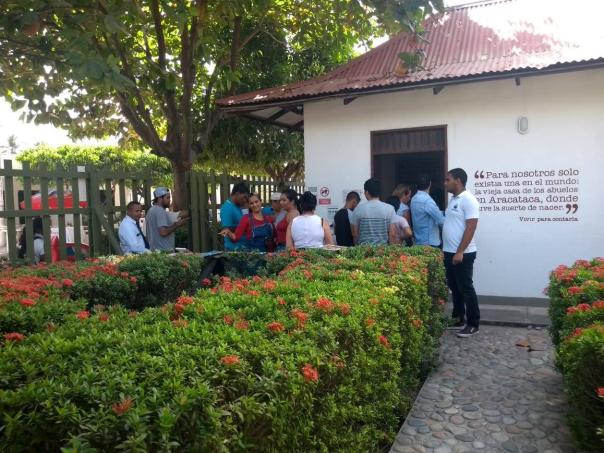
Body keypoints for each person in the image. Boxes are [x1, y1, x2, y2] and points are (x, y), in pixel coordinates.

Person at [442, 168, 480, 338]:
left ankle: (473, 324)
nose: (445, 183)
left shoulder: (468, 200)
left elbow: (471, 227)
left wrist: (460, 251)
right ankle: (458, 318)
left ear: (457, 180)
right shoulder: (453, 200)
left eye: (447, 180)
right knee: (455, 287)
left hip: (463, 253)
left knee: (466, 288)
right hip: (449, 252)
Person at [351, 178, 397, 245]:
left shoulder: (358, 209)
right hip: (382, 249)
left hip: (363, 249)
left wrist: (357, 247)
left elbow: (355, 234)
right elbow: (392, 234)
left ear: (366, 192)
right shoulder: (390, 209)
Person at [145, 187, 188, 252]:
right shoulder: (160, 211)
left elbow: (180, 214)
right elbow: (163, 232)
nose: (169, 200)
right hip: (164, 252)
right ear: (160, 199)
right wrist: (177, 225)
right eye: (167, 198)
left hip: (155, 251)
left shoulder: (151, 210)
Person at [410, 174, 445, 247]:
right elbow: (441, 220)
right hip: (430, 242)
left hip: (418, 240)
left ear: (416, 185)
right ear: (430, 184)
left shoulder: (413, 199)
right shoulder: (428, 201)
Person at [220, 183, 250, 251]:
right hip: (233, 249)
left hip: (243, 247)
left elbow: (245, 219)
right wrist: (244, 228)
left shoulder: (239, 206)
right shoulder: (227, 208)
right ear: (237, 193)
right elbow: (226, 230)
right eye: (244, 197)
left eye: (246, 198)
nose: (245, 200)